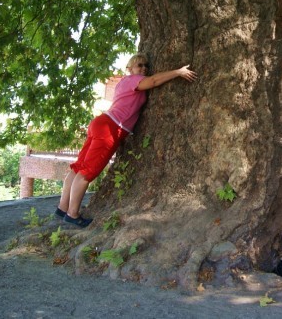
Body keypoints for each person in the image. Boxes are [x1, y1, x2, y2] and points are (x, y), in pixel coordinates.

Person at [56, 54, 197, 227]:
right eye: (139, 65)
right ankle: (72, 214)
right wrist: (178, 72)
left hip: (101, 124)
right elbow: (152, 82)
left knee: (79, 167)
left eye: (146, 66)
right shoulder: (132, 80)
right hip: (110, 128)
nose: (144, 68)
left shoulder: (124, 82)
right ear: (129, 69)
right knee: (86, 173)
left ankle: (62, 208)